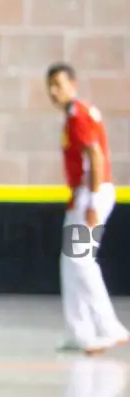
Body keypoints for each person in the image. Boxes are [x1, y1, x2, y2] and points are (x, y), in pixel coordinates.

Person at [46, 62, 128, 356]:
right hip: (83, 195)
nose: (54, 92)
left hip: (89, 195)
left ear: (73, 84)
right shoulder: (75, 115)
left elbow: (94, 155)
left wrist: (92, 201)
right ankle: (81, 332)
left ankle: (107, 326)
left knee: (80, 260)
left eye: (59, 84)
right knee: (70, 262)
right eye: (50, 87)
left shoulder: (78, 116)